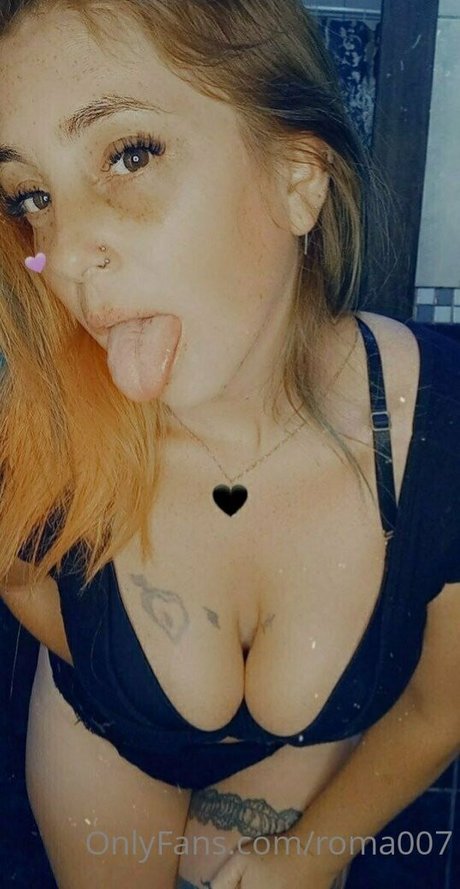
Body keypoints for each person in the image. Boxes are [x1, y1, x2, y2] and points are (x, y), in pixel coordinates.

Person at [0, 2, 459, 888]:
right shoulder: (50, 421)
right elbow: (19, 572)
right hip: (110, 743)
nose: (68, 252)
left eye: (130, 154)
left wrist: (307, 858)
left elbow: (440, 707)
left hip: (295, 753)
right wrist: (113, 665)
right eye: (32, 197)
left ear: (298, 178)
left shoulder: (437, 436)